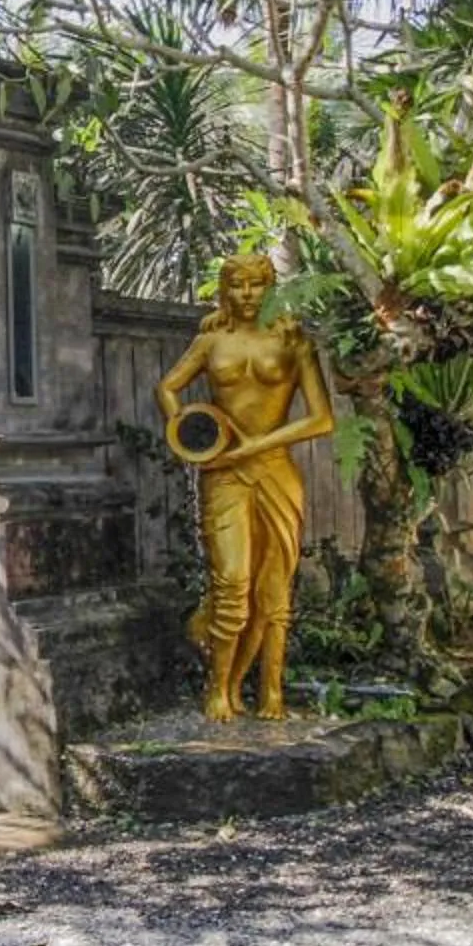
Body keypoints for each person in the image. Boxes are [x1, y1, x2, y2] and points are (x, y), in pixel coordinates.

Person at [157, 252, 337, 720]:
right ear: (224, 289)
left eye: (255, 285)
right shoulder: (211, 339)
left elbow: (321, 418)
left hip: (275, 471)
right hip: (224, 473)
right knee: (232, 581)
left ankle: (270, 691)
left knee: (273, 588)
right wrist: (190, 427)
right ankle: (219, 689)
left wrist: (253, 446)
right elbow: (168, 387)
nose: (245, 295)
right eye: (236, 285)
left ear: (270, 286)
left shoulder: (293, 339)